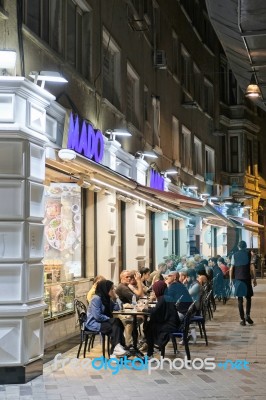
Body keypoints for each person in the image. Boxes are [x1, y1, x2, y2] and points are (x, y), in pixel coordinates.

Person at [85, 280, 127, 357]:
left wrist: (116, 297)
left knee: (118, 323)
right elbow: (97, 316)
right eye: (111, 289)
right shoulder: (96, 299)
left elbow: (117, 307)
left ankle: (116, 348)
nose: (113, 290)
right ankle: (116, 349)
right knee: (115, 324)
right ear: (105, 289)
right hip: (94, 323)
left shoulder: (107, 298)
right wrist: (109, 319)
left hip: (102, 321)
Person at [144, 280, 181, 358]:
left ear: (158, 290)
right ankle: (151, 349)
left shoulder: (162, 299)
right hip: (173, 323)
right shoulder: (165, 297)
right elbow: (158, 311)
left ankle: (152, 349)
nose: (153, 292)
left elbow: (154, 312)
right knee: (150, 324)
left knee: (148, 326)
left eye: (154, 290)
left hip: (169, 325)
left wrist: (144, 309)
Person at [230, 240, 257, 326]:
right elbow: (252, 267)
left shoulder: (234, 255)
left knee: (240, 299)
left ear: (238, 247)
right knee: (248, 298)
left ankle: (242, 319)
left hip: (238, 279)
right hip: (246, 278)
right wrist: (255, 279)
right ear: (245, 247)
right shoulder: (249, 254)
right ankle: (247, 315)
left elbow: (231, 268)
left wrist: (231, 280)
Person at [115, 270, 144, 346]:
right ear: (121, 278)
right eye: (126, 277)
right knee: (133, 321)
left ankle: (134, 342)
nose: (129, 278)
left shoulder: (126, 286)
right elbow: (138, 297)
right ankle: (129, 344)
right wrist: (138, 281)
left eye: (130, 277)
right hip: (120, 313)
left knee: (141, 317)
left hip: (126, 310)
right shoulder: (122, 287)